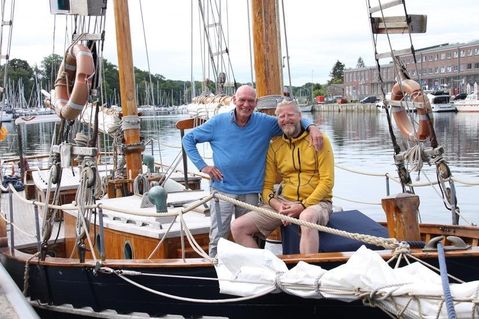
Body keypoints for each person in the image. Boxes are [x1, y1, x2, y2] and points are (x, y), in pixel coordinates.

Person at [182, 85, 322, 257]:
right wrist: (203, 166)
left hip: (251, 191)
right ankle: (215, 270)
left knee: (249, 235)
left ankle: (252, 272)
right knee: (218, 236)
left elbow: (292, 120)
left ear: (256, 103)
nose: (246, 105)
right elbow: (188, 139)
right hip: (222, 190)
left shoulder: (264, 122)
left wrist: (313, 127)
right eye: (242, 100)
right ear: (234, 100)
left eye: (250, 101)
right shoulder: (217, 123)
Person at [231, 99, 334, 254]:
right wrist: (278, 206)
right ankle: (267, 269)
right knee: (238, 226)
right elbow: (266, 188)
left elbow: (327, 181)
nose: (286, 120)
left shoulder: (319, 140)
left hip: (317, 202)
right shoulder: (275, 146)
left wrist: (303, 205)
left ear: (300, 116)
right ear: (277, 120)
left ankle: (307, 273)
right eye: (281, 116)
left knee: (306, 218)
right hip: (285, 202)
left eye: (290, 115)